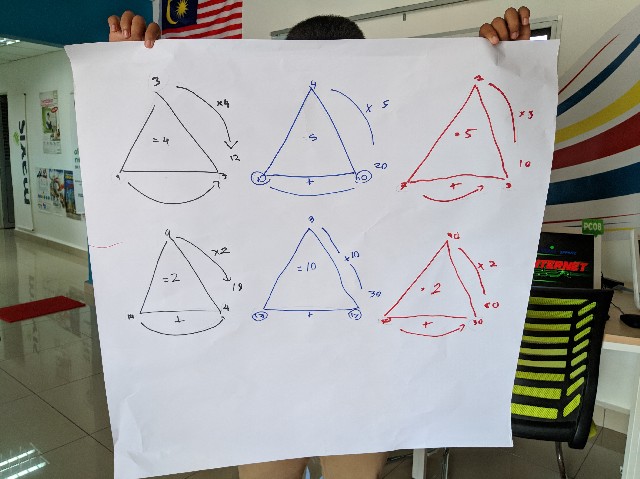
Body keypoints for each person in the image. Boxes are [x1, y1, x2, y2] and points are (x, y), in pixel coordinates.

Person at [106, 6, 531, 479]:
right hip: (264, 374)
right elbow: (168, 187)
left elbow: (466, 186)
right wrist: (128, 71)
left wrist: (510, 67)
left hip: (360, 375)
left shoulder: (393, 140)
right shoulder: (252, 136)